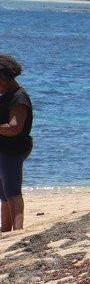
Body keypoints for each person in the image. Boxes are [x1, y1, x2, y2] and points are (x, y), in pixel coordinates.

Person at [0, 55, 32, 232]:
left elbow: (15, 128)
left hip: (12, 149)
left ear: (4, 77)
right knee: (3, 192)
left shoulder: (19, 98)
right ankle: (5, 229)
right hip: (4, 149)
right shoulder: (7, 95)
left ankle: (18, 230)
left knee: (12, 190)